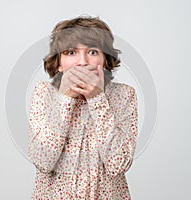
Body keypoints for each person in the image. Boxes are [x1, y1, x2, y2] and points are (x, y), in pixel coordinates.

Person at [28, 15, 138, 199]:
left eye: (93, 52)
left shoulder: (124, 95)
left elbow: (118, 165)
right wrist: (65, 98)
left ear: (105, 61)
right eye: (71, 52)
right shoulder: (44, 94)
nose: (82, 62)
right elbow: (43, 161)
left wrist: (96, 99)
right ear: (59, 63)